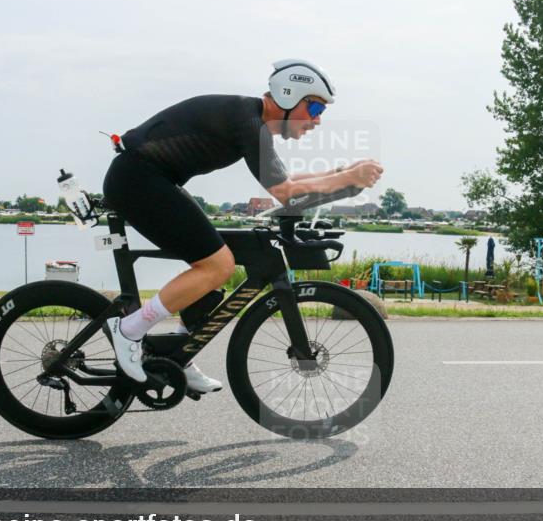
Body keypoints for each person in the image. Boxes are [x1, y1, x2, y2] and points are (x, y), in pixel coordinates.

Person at [102, 59, 383, 393]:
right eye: (316, 106)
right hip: (138, 180)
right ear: (290, 95)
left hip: (151, 179)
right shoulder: (246, 120)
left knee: (217, 260)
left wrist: (342, 173)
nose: (318, 120)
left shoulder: (250, 119)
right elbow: (285, 192)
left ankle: (179, 354)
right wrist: (346, 177)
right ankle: (129, 331)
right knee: (217, 264)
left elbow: (287, 181)